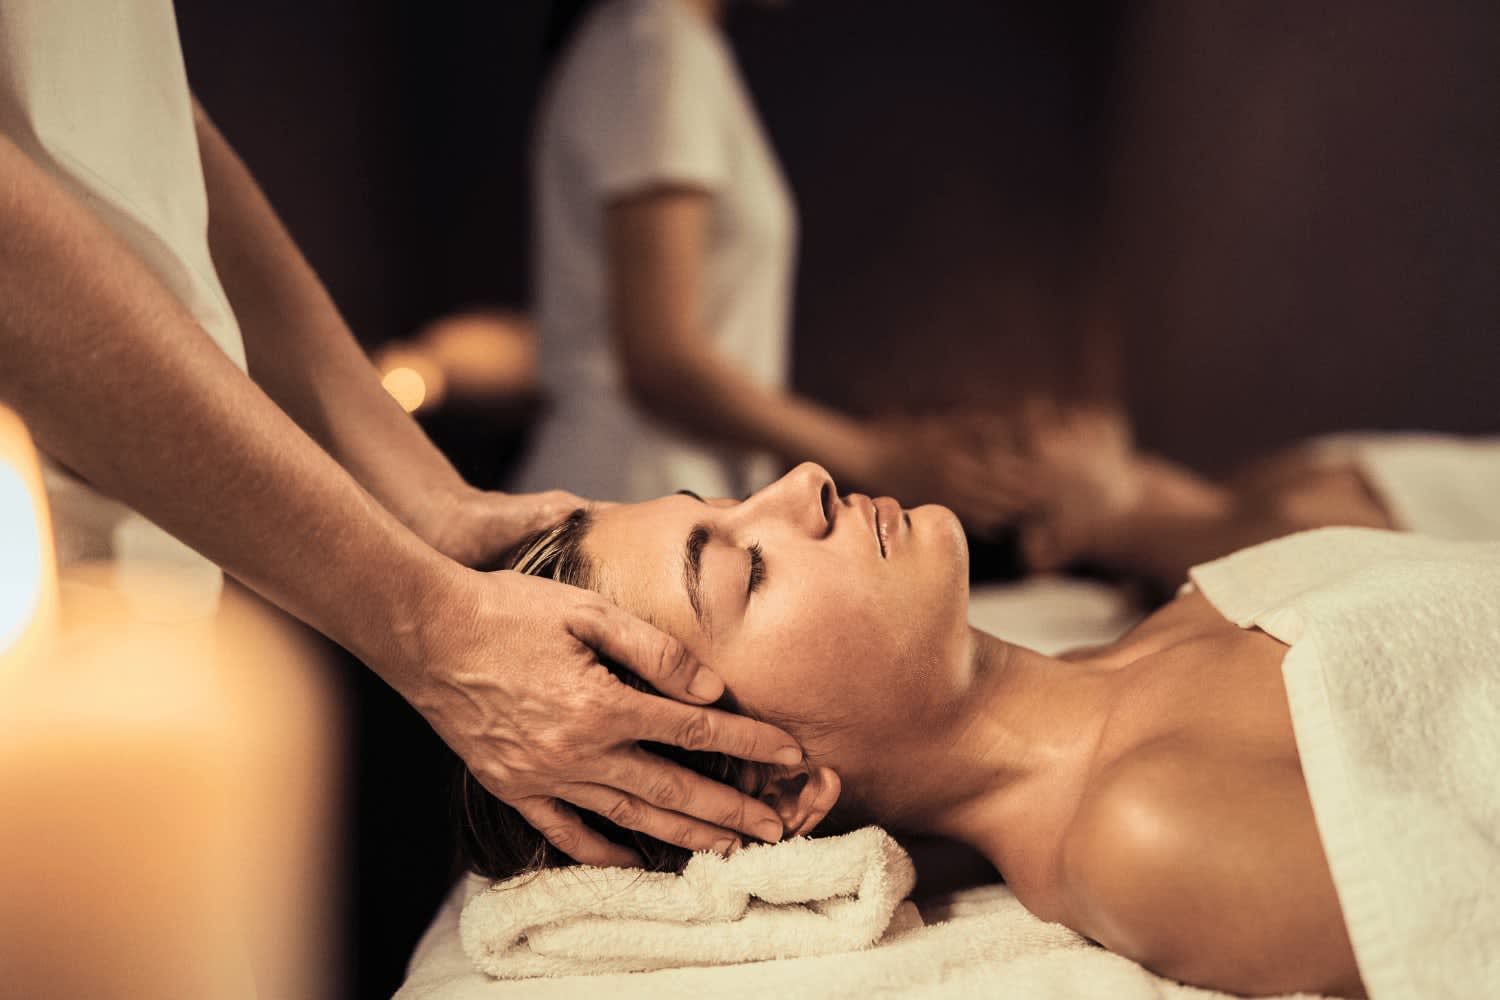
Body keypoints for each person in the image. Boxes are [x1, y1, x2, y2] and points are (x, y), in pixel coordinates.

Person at [0, 0, 803, 868]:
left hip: (148, 606)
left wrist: (431, 504)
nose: (808, 482)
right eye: (748, 570)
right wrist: (424, 621)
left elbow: (144, 140)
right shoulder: (650, 50)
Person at [456, 462, 1370, 997]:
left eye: (725, 503)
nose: (804, 483)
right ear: (779, 784)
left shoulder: (1164, 625)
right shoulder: (1148, 834)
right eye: (749, 570)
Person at [515, 0, 1029, 531]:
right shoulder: (656, 46)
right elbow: (661, 359)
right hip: (636, 495)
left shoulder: (656, 45)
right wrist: (878, 458)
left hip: (659, 497)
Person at [1011, 406, 1500, 590]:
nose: (1037, 414)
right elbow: (1336, 543)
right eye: (1011, 445)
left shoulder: (1257, 495)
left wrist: (1118, 523)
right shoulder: (1262, 516)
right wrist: (1112, 525)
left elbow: (1324, 539)